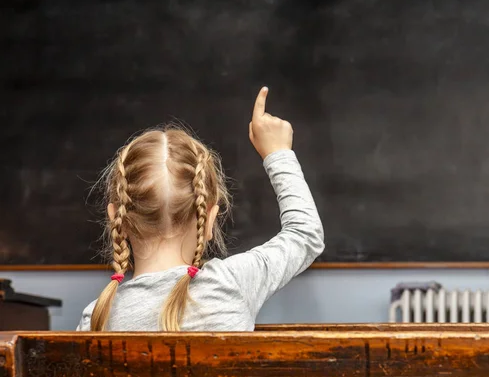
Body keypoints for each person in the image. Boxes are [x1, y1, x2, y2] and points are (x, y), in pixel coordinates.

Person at [76, 87, 324, 331]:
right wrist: (278, 153)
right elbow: (304, 235)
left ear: (117, 221)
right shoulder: (230, 283)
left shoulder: (95, 319)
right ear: (209, 222)